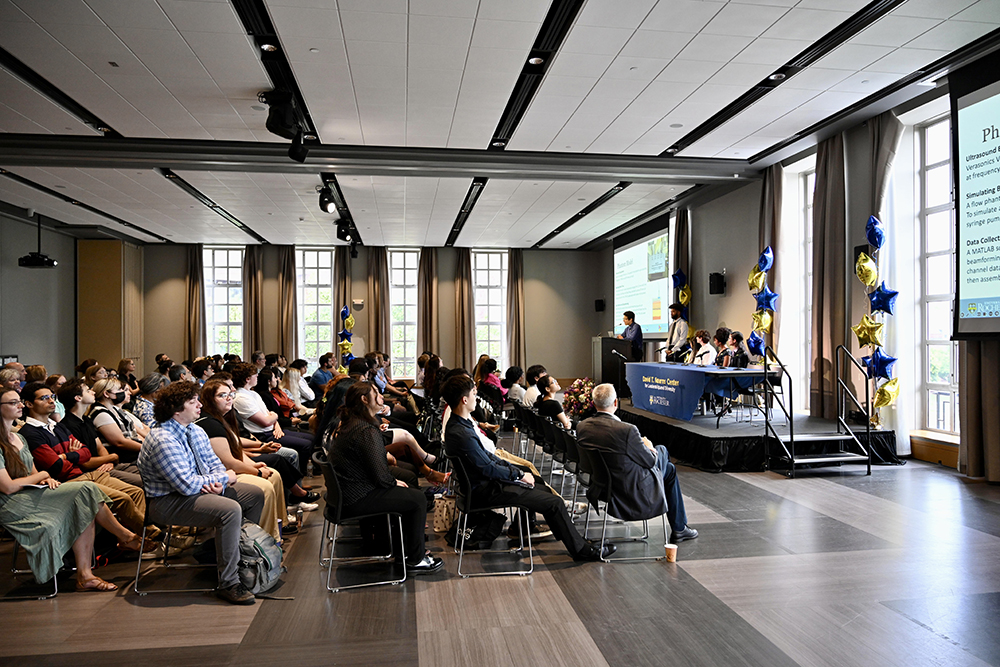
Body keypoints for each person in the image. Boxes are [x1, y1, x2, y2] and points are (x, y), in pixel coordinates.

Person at [442, 374, 614, 561]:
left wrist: (517, 472)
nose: (476, 397)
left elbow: (488, 459)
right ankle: (581, 551)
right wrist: (517, 475)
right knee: (553, 502)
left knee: (538, 482)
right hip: (484, 490)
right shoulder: (460, 433)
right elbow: (487, 467)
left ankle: (528, 529)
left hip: (484, 484)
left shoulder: (461, 424)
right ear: (464, 399)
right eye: (474, 393)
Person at [0, 387, 148, 591]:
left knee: (86, 499)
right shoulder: (24, 434)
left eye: (18, 401)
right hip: (14, 501)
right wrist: (44, 475)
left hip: (34, 489)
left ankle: (86, 575)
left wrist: (45, 479)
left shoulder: (20, 438)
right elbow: (8, 487)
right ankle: (125, 537)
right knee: (86, 490)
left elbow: (37, 471)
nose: (18, 405)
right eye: (12, 402)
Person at [137, 381, 266, 605]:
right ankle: (229, 582)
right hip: (167, 502)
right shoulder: (162, 439)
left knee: (253, 494)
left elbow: (213, 464)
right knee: (230, 509)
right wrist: (225, 478)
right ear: (176, 410)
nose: (199, 404)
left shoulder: (195, 430)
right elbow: (186, 485)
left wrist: (219, 483)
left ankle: (232, 556)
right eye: (192, 401)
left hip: (197, 492)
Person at [328, 381, 443, 574]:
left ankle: (406, 552)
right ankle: (415, 559)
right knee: (417, 499)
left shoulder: (355, 423)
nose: (381, 397)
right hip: (356, 497)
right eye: (376, 394)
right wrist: (393, 483)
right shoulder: (365, 430)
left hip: (346, 493)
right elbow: (380, 474)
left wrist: (392, 482)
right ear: (365, 400)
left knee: (407, 490)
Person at [18, 381, 149, 538]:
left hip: (86, 474)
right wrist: (75, 455)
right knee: (124, 497)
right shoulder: (31, 432)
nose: (51, 401)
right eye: (44, 398)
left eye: (52, 396)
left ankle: (146, 537)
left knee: (136, 492)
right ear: (29, 404)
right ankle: (148, 538)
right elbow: (57, 466)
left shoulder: (57, 426)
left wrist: (68, 455)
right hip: (68, 481)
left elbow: (86, 451)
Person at [576, 384, 698, 543]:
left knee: (668, 468)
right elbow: (650, 462)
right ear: (615, 403)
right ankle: (679, 528)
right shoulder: (626, 430)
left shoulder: (582, 426)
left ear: (594, 403)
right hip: (627, 489)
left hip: (601, 486)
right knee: (664, 458)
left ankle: (680, 527)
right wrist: (648, 447)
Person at [197, 378, 296, 541]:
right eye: (222, 395)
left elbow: (236, 447)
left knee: (274, 474)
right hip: (220, 477)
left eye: (230, 394)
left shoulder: (223, 418)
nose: (229, 398)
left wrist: (255, 463)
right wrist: (256, 471)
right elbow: (229, 462)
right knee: (265, 486)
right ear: (209, 400)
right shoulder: (210, 423)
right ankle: (263, 539)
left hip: (229, 470)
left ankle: (278, 527)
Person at [231, 363, 314, 476]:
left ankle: (299, 476)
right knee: (304, 445)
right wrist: (273, 417)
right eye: (256, 375)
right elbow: (265, 420)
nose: (258, 377)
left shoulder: (253, 393)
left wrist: (276, 424)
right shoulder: (241, 398)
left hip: (273, 430)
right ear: (247, 379)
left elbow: (269, 415)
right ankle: (300, 477)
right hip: (263, 435)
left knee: (310, 438)